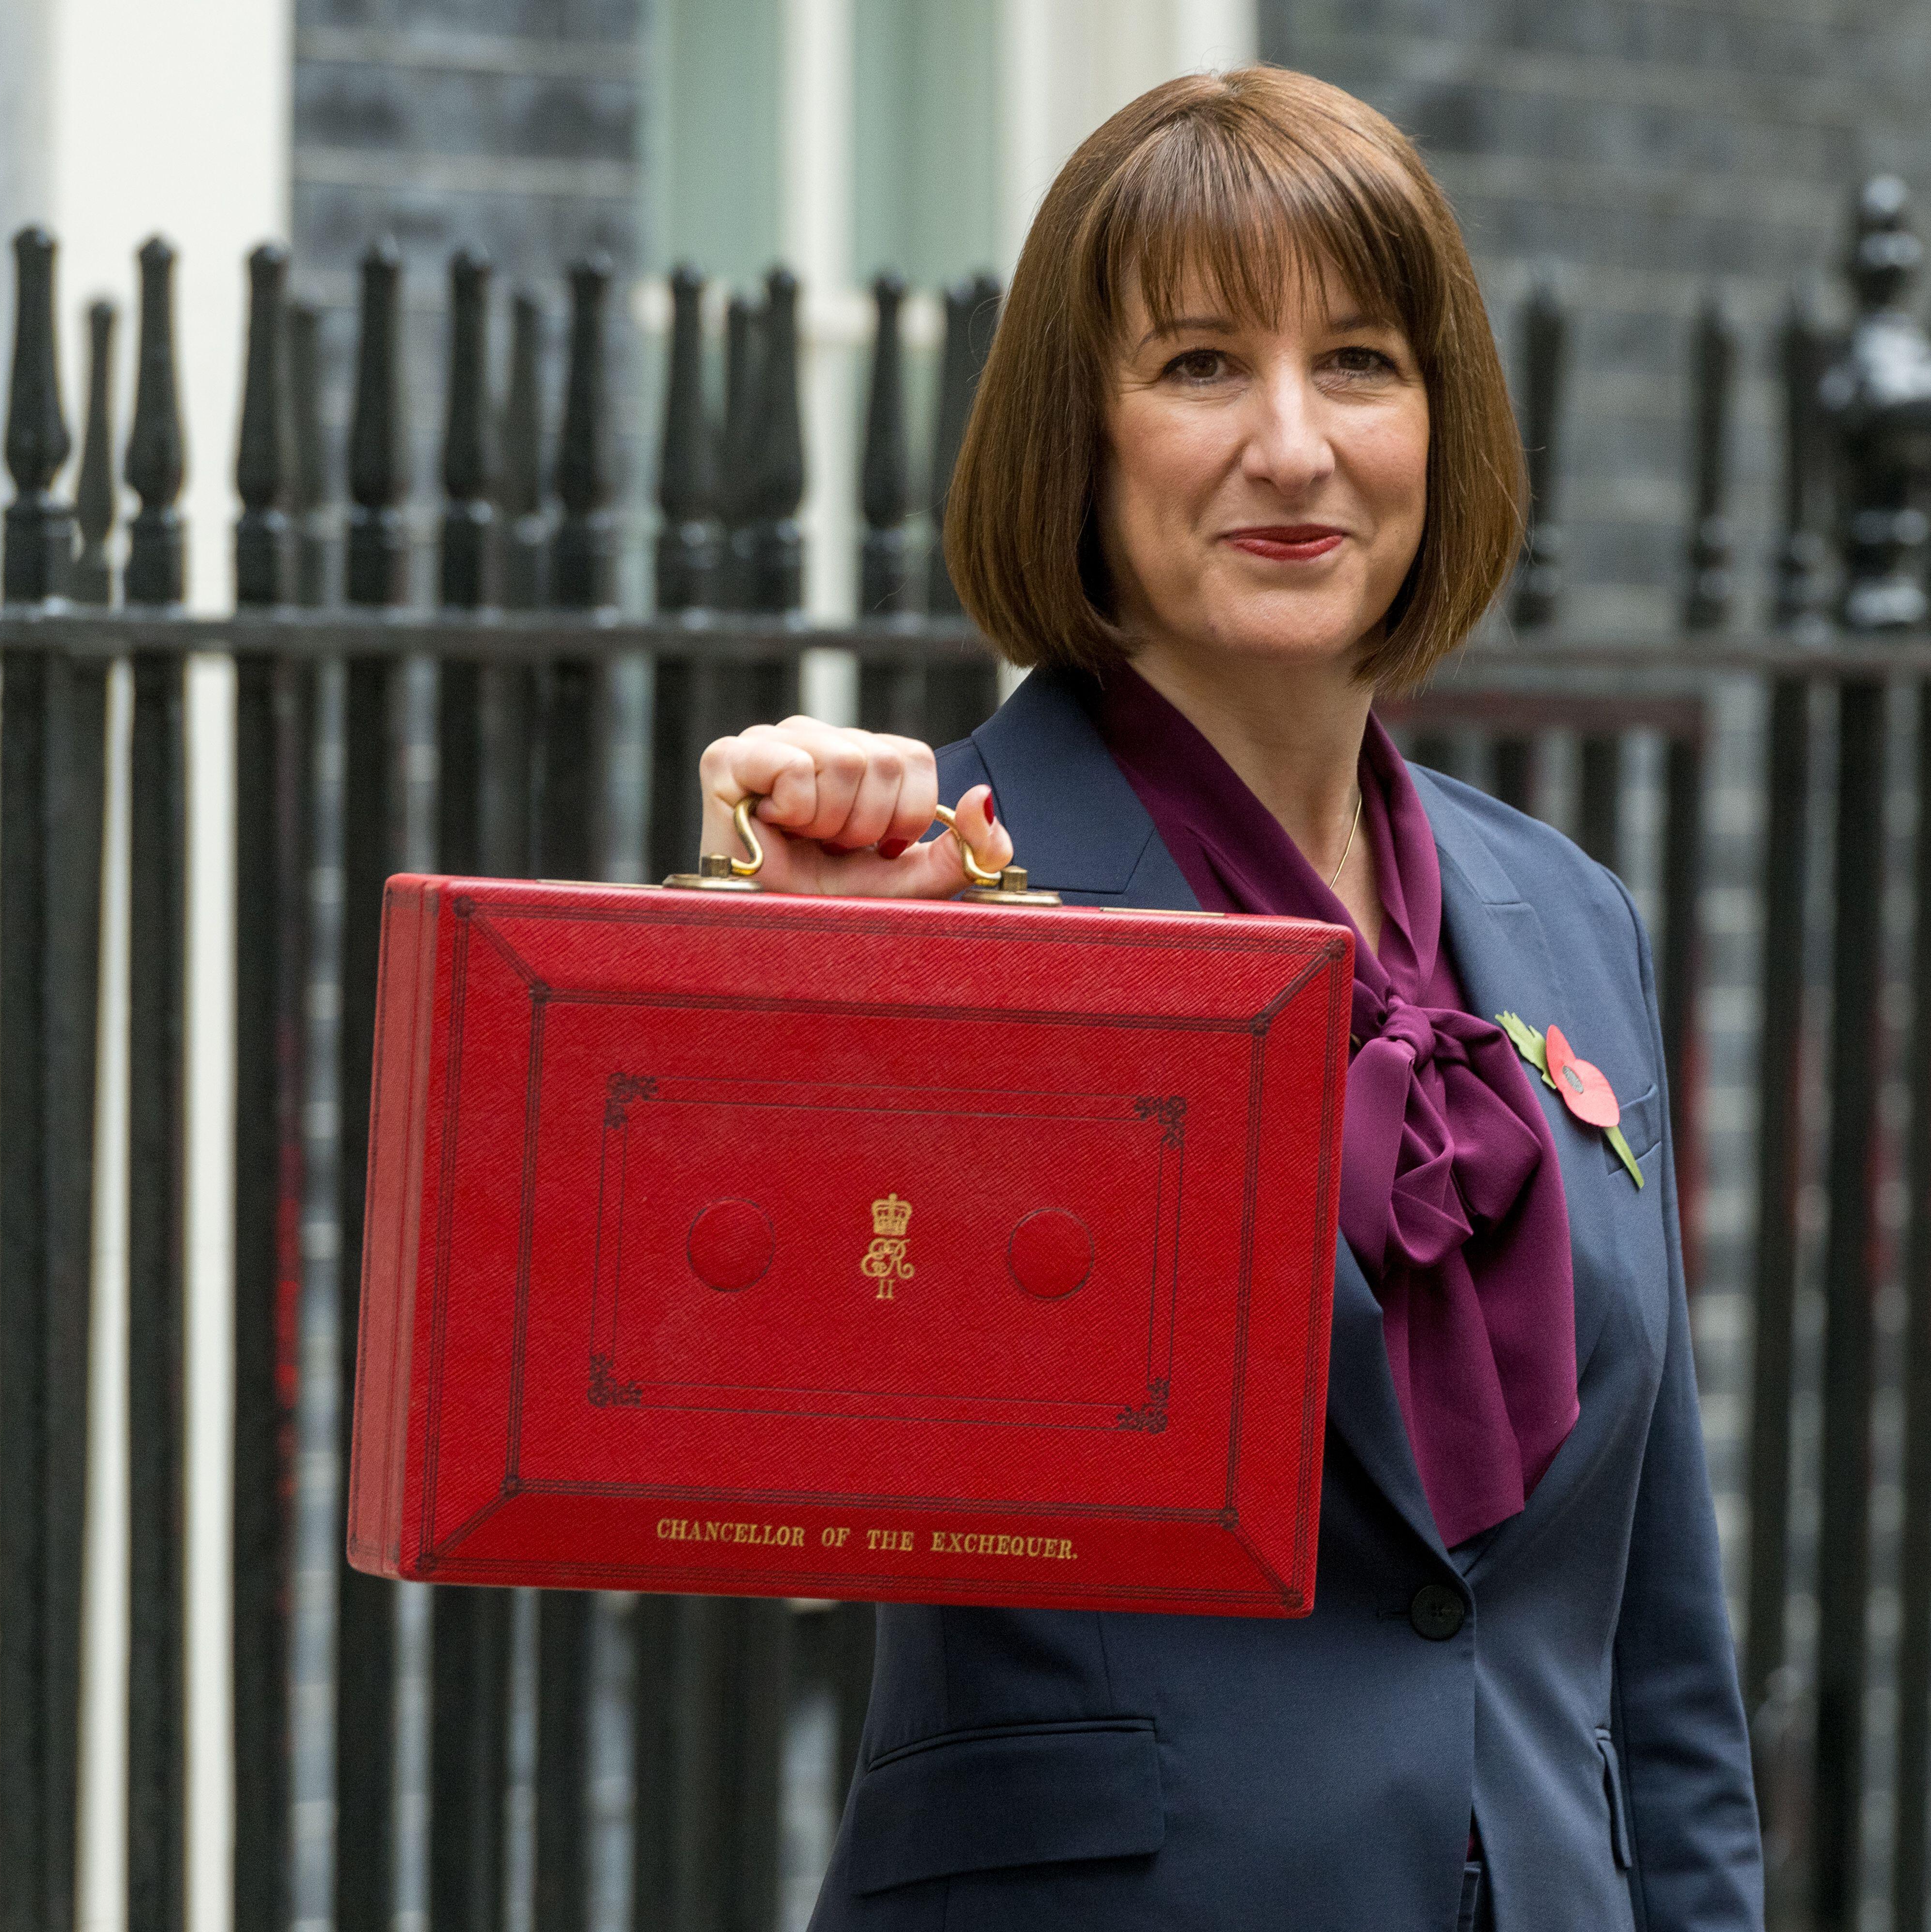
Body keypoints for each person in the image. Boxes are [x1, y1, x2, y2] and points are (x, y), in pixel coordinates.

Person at [695, 65, 1761, 1932]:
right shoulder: (949, 891)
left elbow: (1657, 1639)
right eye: (1198, 366)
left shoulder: (1574, 920)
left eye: (1359, 360)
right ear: (1077, 447)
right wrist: (794, 975)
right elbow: (719, 1455)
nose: (1292, 444)